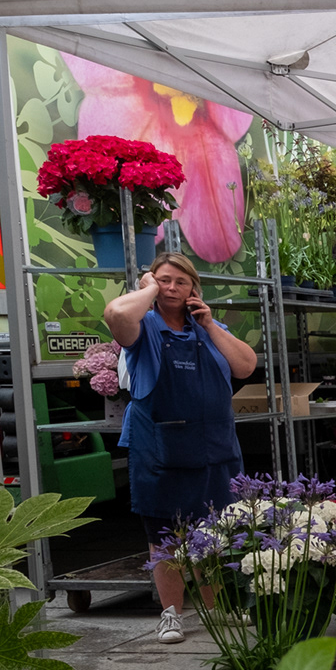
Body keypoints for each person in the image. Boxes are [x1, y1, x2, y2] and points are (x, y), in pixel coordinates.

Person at [103, 252, 258, 646]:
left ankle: (216, 607)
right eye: (164, 280)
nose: (172, 288)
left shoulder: (205, 325)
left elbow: (245, 366)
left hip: (215, 444)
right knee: (166, 534)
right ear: (150, 283)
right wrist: (150, 290)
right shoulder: (144, 327)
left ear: (194, 288)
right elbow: (116, 314)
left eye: (180, 282)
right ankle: (171, 614)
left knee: (216, 531)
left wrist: (208, 324)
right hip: (161, 448)